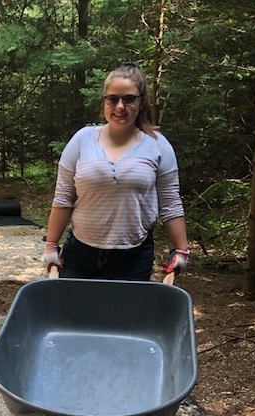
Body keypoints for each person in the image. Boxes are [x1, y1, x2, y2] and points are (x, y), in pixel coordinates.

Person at [44, 61, 189, 281]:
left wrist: (181, 250)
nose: (120, 107)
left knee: (125, 316)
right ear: (104, 102)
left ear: (141, 102)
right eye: (112, 99)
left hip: (133, 258)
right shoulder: (82, 140)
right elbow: (63, 197)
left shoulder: (158, 145)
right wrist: (51, 246)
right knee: (75, 315)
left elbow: (170, 203)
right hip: (79, 255)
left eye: (129, 99)